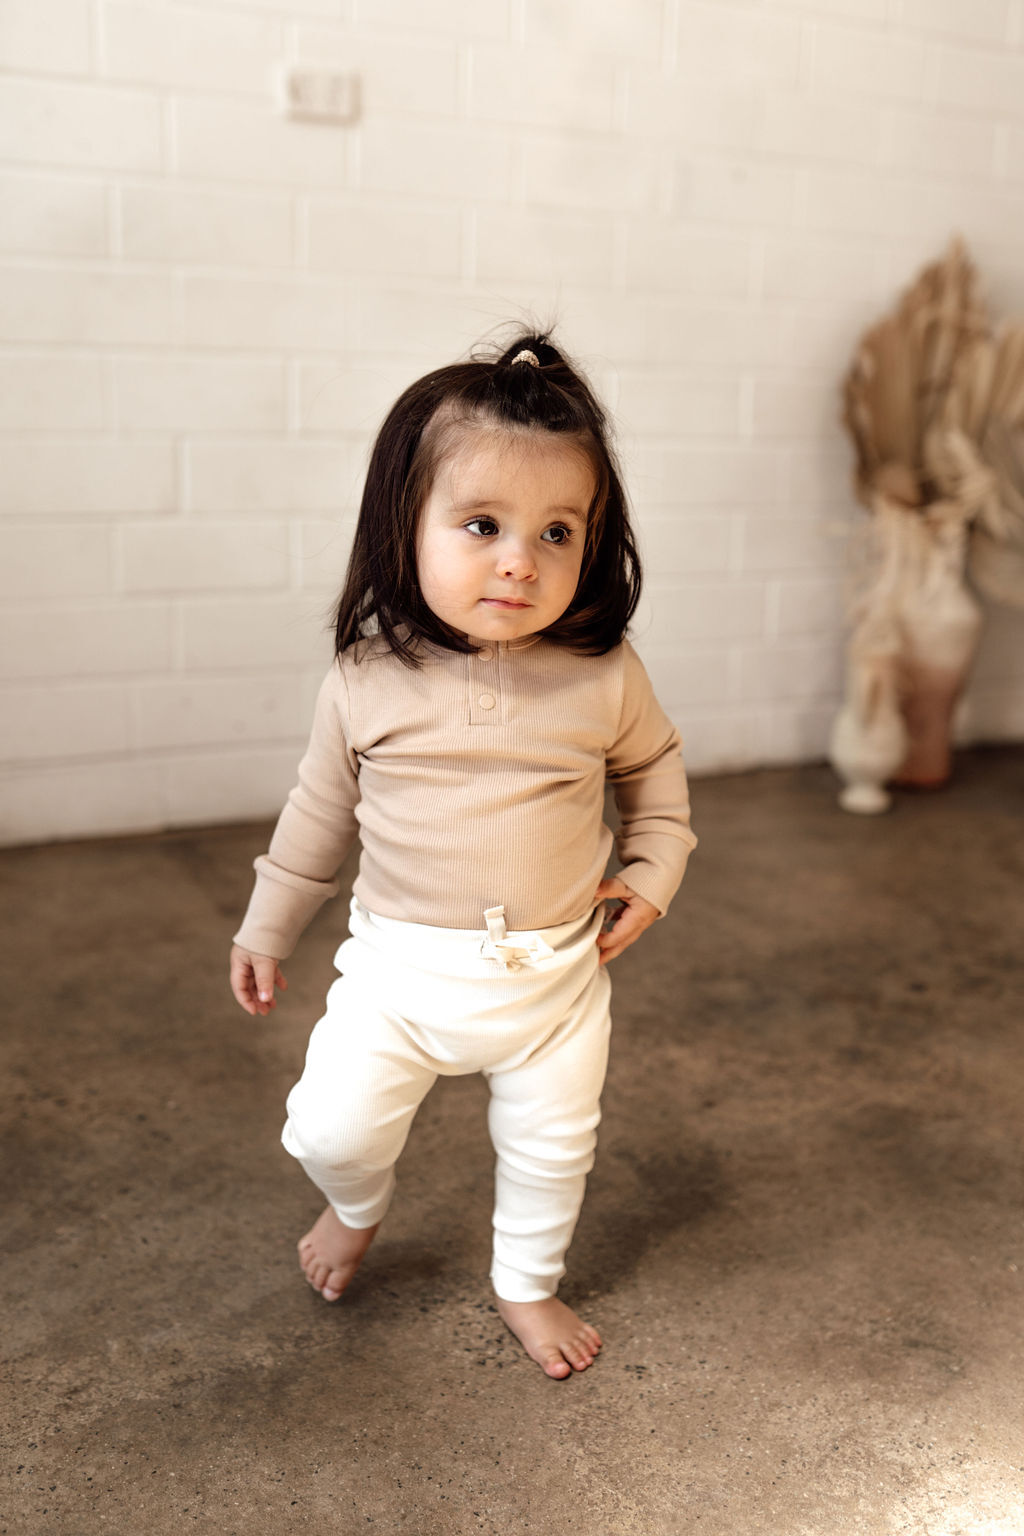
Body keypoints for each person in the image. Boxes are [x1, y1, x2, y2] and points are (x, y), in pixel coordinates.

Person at [229, 332, 697, 1380]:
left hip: (554, 985)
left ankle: (524, 1283)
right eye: (482, 524)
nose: (519, 559)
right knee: (328, 1132)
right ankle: (356, 1207)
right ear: (408, 524)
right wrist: (267, 926)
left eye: (557, 530)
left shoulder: (602, 674)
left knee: (549, 1153)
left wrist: (653, 872)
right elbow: (317, 816)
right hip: (397, 976)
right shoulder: (366, 678)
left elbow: (657, 785)